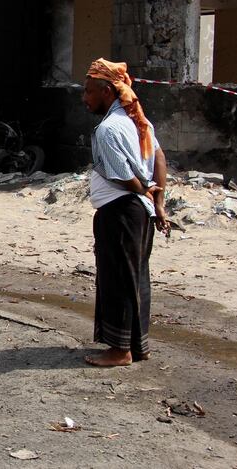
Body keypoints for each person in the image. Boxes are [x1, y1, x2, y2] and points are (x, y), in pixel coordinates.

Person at [82, 58, 170, 367]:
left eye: (88, 91)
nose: (85, 98)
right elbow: (159, 156)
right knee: (136, 277)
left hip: (120, 212)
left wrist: (143, 189)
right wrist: (157, 201)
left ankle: (120, 351)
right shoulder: (138, 121)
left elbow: (120, 175)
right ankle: (136, 346)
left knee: (118, 278)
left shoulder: (107, 129)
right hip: (138, 211)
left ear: (106, 91)